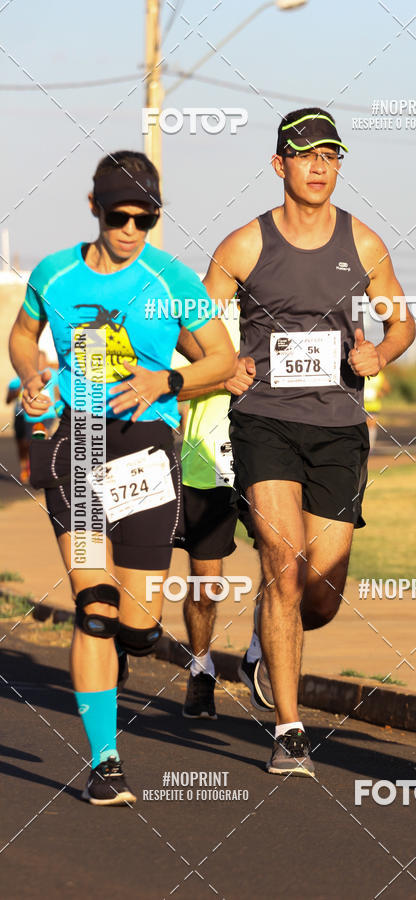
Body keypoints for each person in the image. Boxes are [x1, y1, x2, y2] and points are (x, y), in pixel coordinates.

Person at [8, 150, 236, 805]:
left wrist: (166, 379)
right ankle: (105, 760)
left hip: (146, 450)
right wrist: (32, 375)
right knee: (96, 610)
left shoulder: (172, 280)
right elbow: (24, 335)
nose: (132, 228)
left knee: (138, 623)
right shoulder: (54, 272)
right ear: (95, 209)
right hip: (76, 446)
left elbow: (220, 358)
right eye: (120, 215)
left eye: (146, 217)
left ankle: (123, 651)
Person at [203, 108, 415, 776]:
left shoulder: (366, 243)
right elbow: (199, 321)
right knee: (283, 563)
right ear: (279, 165)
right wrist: (224, 363)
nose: (320, 166)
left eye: (331, 155)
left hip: (339, 431)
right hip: (265, 420)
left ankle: (268, 646)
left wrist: (381, 353)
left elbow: (402, 322)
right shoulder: (243, 245)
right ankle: (290, 731)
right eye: (306, 155)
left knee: (319, 592)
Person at [174, 301, 252, 719]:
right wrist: (221, 371)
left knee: (290, 568)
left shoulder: (297, 314)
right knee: (206, 585)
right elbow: (172, 384)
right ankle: (201, 668)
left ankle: (258, 653)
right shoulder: (207, 316)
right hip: (209, 463)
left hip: (274, 459)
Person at [6, 352, 62, 482]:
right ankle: (24, 467)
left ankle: (38, 469)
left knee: (40, 437)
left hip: (46, 413)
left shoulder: (53, 375)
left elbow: (60, 391)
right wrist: (17, 390)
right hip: (23, 414)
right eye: (38, 361)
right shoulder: (22, 378)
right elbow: (8, 400)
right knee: (23, 444)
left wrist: (59, 405)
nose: (42, 365)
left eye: (44, 361)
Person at [363, 370, 391, 451]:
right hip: (359, 405)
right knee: (361, 426)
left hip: (373, 406)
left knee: (371, 426)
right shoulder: (360, 373)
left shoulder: (380, 376)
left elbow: (387, 389)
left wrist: (379, 393)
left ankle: (369, 449)